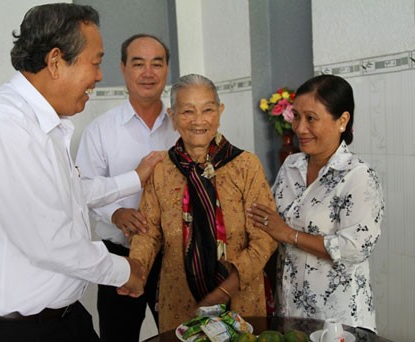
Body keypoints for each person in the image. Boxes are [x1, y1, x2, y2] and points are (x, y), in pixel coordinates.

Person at [0, 4, 163, 342]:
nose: (99, 75)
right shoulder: (4, 125)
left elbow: (67, 192)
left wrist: (135, 179)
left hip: (63, 317)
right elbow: (48, 240)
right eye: (95, 62)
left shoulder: (44, 124)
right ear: (55, 62)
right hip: (13, 331)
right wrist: (126, 271)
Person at [127, 74, 278, 333]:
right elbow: (148, 232)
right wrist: (136, 271)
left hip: (239, 299)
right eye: (187, 111)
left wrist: (222, 291)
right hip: (180, 300)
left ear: (220, 112)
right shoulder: (161, 169)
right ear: (173, 117)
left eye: (208, 109)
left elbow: (265, 238)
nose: (199, 120)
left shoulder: (245, 166)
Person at [248, 74, 384, 332]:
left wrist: (288, 234)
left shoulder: (358, 176)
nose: (299, 128)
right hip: (290, 312)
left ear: (342, 121)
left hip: (338, 320)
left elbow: (355, 248)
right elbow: (269, 217)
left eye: (311, 118)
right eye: (296, 116)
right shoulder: (291, 165)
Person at [75, 34, 178, 341]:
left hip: (174, 260)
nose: (148, 73)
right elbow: (82, 188)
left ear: (167, 69)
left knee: (180, 334)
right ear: (122, 68)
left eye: (156, 64)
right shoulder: (101, 130)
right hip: (118, 257)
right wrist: (115, 212)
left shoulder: (182, 126)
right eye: (138, 64)